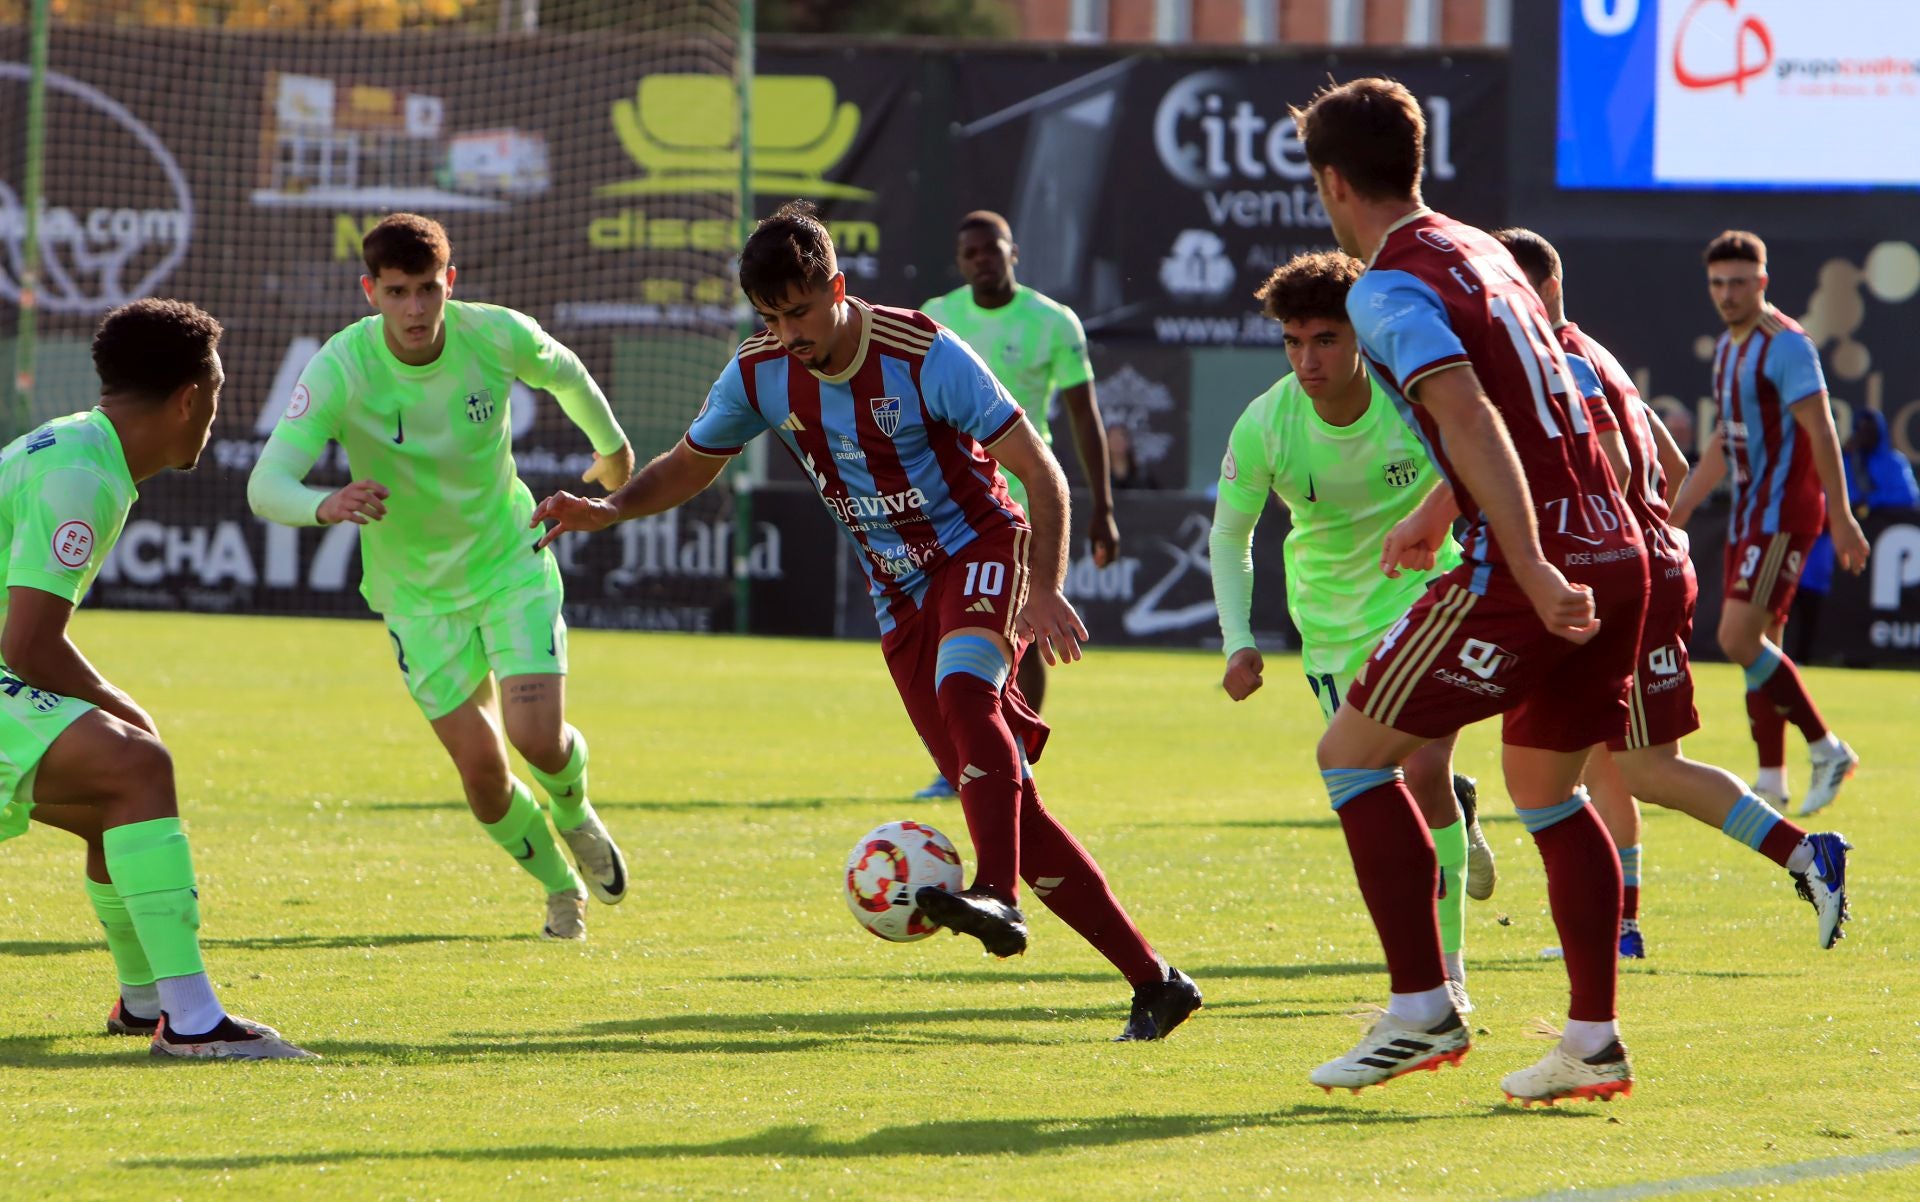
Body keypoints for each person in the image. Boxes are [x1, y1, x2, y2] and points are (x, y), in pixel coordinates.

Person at [530, 200, 1201, 1041]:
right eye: (771, 318)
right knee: (1010, 805)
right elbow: (689, 464)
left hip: (980, 545)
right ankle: (1155, 980)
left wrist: (1043, 587)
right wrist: (612, 506)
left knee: (968, 693)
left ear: (838, 288)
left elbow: (1041, 471)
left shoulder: (922, 350)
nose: (789, 333)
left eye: (801, 312)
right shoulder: (758, 370)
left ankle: (995, 891)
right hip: (899, 593)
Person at [1294, 77, 1648, 1106]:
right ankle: (1591, 1038)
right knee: (1547, 789)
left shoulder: (1386, 285)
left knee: (1352, 755)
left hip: (1527, 565)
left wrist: (1525, 560)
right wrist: (1444, 506)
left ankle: (1421, 1006)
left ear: (1330, 181)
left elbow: (1468, 411)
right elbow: (1528, 406)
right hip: (1613, 543)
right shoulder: (1481, 247)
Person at [248, 213, 633, 940]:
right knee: (484, 778)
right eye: (398, 292)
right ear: (371, 292)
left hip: (508, 562)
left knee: (536, 738)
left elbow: (565, 373)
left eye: (428, 289)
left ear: (449, 282)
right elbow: (266, 485)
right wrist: (324, 504)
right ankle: (559, 889)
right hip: (414, 596)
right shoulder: (341, 366)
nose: (417, 309)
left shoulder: (494, 334)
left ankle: (574, 813)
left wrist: (612, 451)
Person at [1489, 227, 1850, 959]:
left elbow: (1621, 464)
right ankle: (1617, 925)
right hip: (1632, 568)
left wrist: (1611, 544)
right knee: (1596, 759)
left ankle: (1808, 852)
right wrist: (1659, 533)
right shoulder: (1594, 353)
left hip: (1619, 575)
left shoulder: (1558, 359)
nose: (1499, 312)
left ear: (1547, 290)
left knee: (1641, 765)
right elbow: (1675, 456)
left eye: (1510, 295)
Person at [0, 299, 311, 1058]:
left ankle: (145, 1005)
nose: (215, 415)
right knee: (138, 764)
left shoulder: (76, 445)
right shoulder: (84, 475)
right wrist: (122, 706)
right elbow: (30, 646)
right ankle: (195, 1024)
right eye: (218, 393)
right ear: (190, 398)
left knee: (120, 793)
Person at [1207, 250, 1497, 1016]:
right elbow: (1229, 535)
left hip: (1431, 601)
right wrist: (1238, 638)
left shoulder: (1413, 401)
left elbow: (1479, 461)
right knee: (1383, 789)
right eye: (1294, 342)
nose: (1308, 360)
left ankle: (1449, 974)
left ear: (1361, 337)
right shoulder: (1266, 423)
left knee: (1424, 770)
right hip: (1333, 629)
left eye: (1326, 340)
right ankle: (1451, 842)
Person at [914, 211, 1119, 799]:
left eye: (991, 249)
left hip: (1022, 500)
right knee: (948, 626)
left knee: (1019, 624)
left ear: (1013, 252)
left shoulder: (1054, 322)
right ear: (959, 261)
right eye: (970, 252)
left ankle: (1016, 756)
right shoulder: (937, 316)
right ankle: (965, 758)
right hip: (948, 502)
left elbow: (1085, 417)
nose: (982, 259)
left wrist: (1102, 507)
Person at [1669, 231, 1868, 816]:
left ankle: (1828, 748)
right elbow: (1722, 445)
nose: (1727, 294)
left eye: (1738, 282)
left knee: (1736, 637)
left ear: (1763, 282)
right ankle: (1772, 779)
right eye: (1717, 283)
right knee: (1763, 648)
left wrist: (1841, 513)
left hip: (1783, 514)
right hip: (1751, 511)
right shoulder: (1731, 347)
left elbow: (1822, 430)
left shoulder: (1785, 345)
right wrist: (1675, 512)